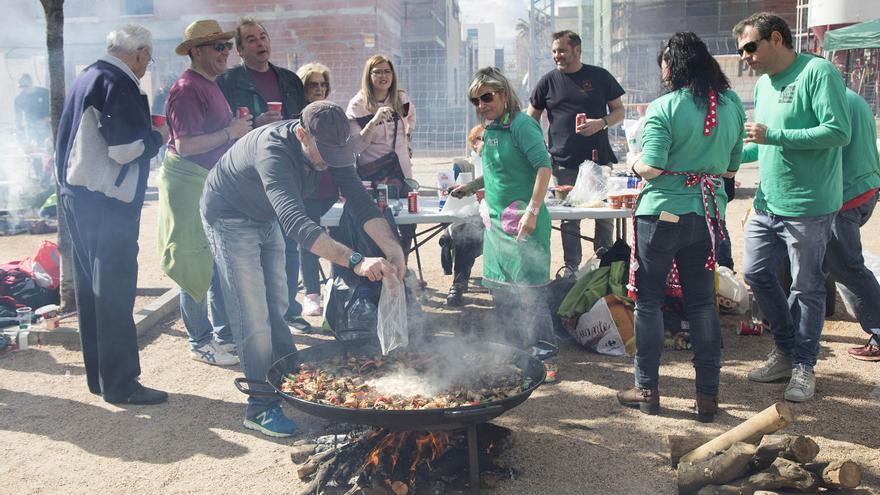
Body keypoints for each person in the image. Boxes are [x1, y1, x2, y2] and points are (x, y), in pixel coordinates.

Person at [201, 101, 405, 437]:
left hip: (266, 217)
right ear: (301, 134)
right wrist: (356, 260)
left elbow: (360, 200)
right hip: (229, 215)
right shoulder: (273, 152)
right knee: (253, 313)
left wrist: (392, 248)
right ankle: (260, 407)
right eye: (323, 153)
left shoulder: (332, 147)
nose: (330, 162)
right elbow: (298, 224)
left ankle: (290, 375)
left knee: (277, 303)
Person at [615, 32, 745, 422]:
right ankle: (707, 398)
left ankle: (647, 390)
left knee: (649, 301)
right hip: (706, 216)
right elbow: (730, 169)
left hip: (663, 214)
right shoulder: (732, 104)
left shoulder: (664, 107)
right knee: (702, 303)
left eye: (664, 65)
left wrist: (632, 162)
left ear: (674, 65)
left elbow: (652, 166)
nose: (663, 72)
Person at [733, 13, 851, 402]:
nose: (745, 56)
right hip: (768, 202)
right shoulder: (765, 85)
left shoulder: (818, 73)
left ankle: (804, 364)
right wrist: (726, 159)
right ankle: (786, 350)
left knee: (807, 287)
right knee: (754, 273)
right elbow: (762, 142)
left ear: (777, 39)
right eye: (741, 50)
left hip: (809, 205)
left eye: (750, 46)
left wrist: (775, 135)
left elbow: (837, 132)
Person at [55, 24, 169, 405]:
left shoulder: (88, 75)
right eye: (148, 59)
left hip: (79, 197)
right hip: (107, 201)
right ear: (138, 53)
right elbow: (124, 149)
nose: (146, 66)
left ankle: (100, 378)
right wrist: (157, 137)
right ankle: (122, 383)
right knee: (115, 293)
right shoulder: (117, 83)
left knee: (92, 292)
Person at [450, 67, 556, 378]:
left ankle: (547, 357)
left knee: (532, 294)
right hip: (497, 227)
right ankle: (515, 354)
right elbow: (498, 172)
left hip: (525, 223)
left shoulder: (523, 125)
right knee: (503, 294)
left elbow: (543, 168)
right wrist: (469, 187)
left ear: (504, 95)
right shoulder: (491, 129)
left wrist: (533, 211)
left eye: (486, 97)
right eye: (475, 100)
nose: (481, 105)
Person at [160, 19, 252, 366]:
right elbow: (185, 145)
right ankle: (199, 343)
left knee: (210, 260)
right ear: (196, 51)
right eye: (218, 47)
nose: (226, 52)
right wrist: (231, 132)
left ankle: (217, 338)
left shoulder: (207, 84)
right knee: (194, 261)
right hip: (189, 181)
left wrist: (235, 131)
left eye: (227, 46)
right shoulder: (187, 88)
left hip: (204, 180)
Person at [216, 18, 310, 329]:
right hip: (247, 179)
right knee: (252, 253)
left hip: (286, 173)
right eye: (252, 40)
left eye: (264, 37)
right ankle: (256, 321)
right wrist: (257, 125)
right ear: (240, 50)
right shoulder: (227, 82)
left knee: (289, 245)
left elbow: (306, 123)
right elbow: (222, 128)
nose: (261, 43)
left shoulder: (290, 80)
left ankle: (289, 313)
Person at [527, 30, 625, 275]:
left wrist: (600, 123)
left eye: (562, 50)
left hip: (598, 160)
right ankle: (572, 268)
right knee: (570, 217)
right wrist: (539, 148)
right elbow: (531, 120)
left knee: (603, 216)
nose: (557, 56)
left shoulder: (600, 76)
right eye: (554, 51)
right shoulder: (547, 82)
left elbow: (619, 111)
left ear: (577, 51)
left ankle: (605, 264)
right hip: (563, 162)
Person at [824, 89, 880, 361]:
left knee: (847, 265)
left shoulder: (829, 100)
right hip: (864, 187)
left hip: (845, 195)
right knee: (827, 259)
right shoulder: (849, 96)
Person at [347, 55, 417, 253]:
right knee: (379, 225)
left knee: (408, 224)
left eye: (387, 71)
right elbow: (355, 147)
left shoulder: (401, 99)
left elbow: (411, 117)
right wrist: (373, 121)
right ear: (368, 76)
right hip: (373, 178)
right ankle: (382, 271)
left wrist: (407, 136)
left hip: (402, 174)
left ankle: (402, 268)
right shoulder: (358, 105)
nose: (383, 76)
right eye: (377, 72)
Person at [295, 62, 338, 316]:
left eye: (323, 84)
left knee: (335, 239)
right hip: (306, 190)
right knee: (308, 241)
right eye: (313, 85)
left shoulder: (332, 115)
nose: (319, 89)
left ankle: (335, 287)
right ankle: (311, 294)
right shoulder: (296, 116)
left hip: (331, 186)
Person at [442, 124, 485, 307]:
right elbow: (448, 195)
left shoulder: (501, 163)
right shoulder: (463, 166)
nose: (485, 143)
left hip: (496, 217)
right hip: (465, 218)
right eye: (481, 139)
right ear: (473, 143)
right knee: (464, 233)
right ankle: (459, 283)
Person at [15, 74, 50, 148]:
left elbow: (55, 110)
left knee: (49, 151)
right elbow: (18, 118)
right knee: (33, 152)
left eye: (26, 86)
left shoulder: (44, 93)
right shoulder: (19, 99)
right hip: (31, 130)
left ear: (31, 83)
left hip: (48, 128)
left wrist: (45, 120)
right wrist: (19, 132)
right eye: (22, 87)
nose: (24, 89)